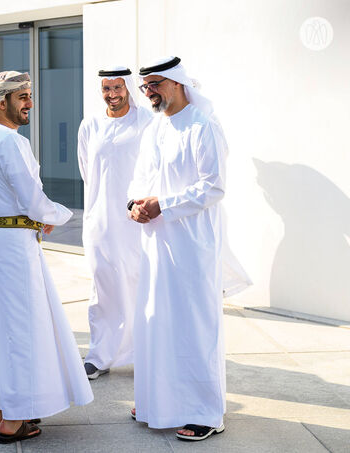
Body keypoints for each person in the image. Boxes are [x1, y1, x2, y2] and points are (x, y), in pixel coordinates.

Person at [0, 71, 94, 444]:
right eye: (22, 97)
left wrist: (38, 216)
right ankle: (15, 419)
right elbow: (33, 199)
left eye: (29, 96)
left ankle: (2, 409)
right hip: (13, 246)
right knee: (22, 330)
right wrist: (62, 215)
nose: (29, 103)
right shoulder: (9, 142)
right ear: (0, 102)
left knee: (5, 327)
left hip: (0, 238)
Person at [128, 56, 230, 441]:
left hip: (193, 245)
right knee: (157, 322)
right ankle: (158, 402)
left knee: (195, 326)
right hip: (156, 242)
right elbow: (140, 177)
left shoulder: (204, 127)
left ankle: (207, 412)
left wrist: (162, 206)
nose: (150, 92)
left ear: (177, 83)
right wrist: (133, 204)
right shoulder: (157, 128)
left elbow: (214, 186)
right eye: (146, 87)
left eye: (155, 84)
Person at [77, 66, 153, 380]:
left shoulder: (147, 122)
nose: (112, 94)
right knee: (103, 288)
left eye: (117, 88)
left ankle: (146, 353)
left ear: (129, 88)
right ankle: (100, 355)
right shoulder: (90, 125)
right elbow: (86, 170)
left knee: (140, 287)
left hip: (135, 224)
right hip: (99, 223)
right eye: (107, 89)